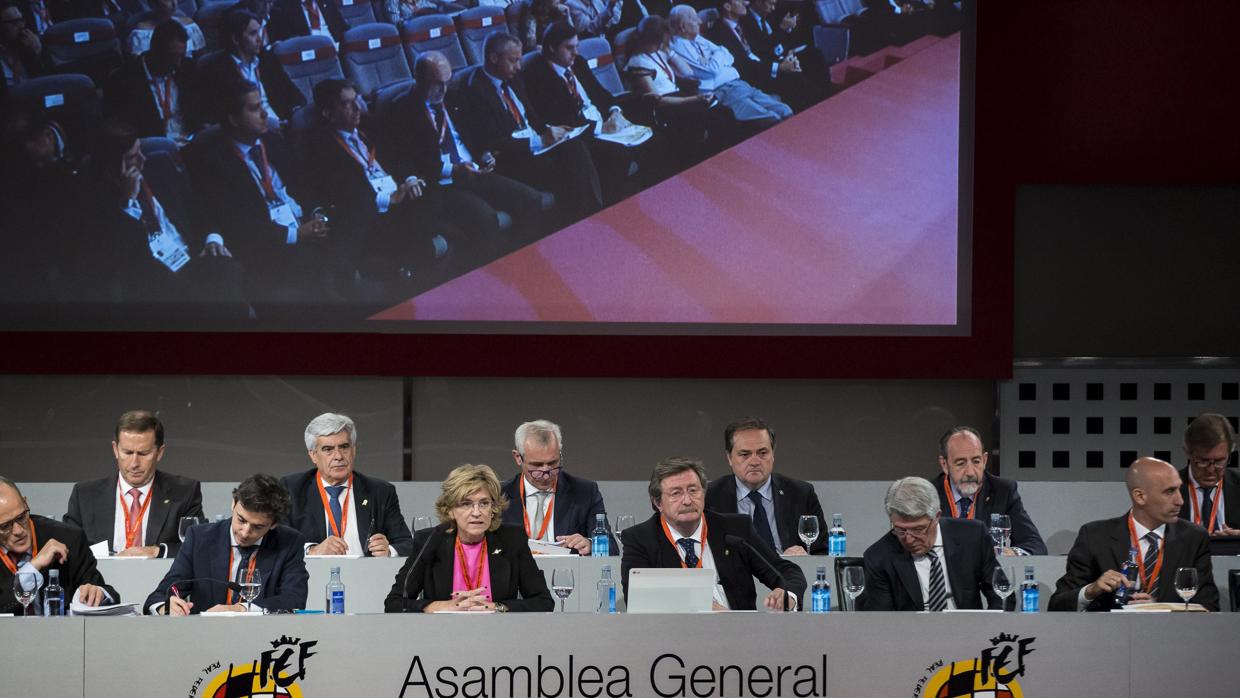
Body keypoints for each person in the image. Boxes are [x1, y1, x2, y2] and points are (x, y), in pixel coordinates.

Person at [182, 79, 336, 308]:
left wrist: (317, 213)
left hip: (304, 225)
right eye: (254, 109)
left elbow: (302, 183)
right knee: (314, 272)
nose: (265, 114)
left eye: (262, 105)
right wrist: (295, 235)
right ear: (233, 118)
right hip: (271, 244)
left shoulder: (273, 140)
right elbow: (238, 224)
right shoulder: (214, 161)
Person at [386, 51, 550, 246]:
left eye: (447, 81)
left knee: (530, 200)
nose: (444, 90)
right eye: (437, 84)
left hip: (475, 172)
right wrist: (454, 170)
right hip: (443, 183)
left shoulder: (455, 96)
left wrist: (484, 155)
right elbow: (412, 160)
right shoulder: (402, 109)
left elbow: (476, 135)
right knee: (486, 219)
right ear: (418, 78)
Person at [302, 78, 451, 287]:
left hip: (402, 195)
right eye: (346, 104)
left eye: (357, 100)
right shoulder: (320, 146)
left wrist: (409, 179)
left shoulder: (371, 125)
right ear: (329, 113)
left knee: (433, 193)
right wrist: (387, 199)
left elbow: (400, 157)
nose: (356, 108)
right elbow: (342, 190)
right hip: (372, 210)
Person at [453, 31, 605, 222]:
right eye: (513, 60)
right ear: (493, 58)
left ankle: (591, 215)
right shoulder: (475, 90)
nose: (518, 66)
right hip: (514, 157)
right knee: (571, 166)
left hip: (536, 146)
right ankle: (586, 218)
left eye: (519, 60)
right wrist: (539, 140)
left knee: (576, 147)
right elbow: (494, 142)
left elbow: (532, 117)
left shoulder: (514, 78)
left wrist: (549, 130)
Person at [621, 457, 805, 610]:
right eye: (676, 493)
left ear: (703, 493)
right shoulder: (640, 539)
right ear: (658, 503)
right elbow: (638, 598)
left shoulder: (735, 530)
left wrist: (787, 595)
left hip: (740, 637)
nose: (687, 500)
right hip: (672, 641)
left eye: (693, 490)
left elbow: (787, 572)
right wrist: (704, 608)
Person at [1049, 457, 1218, 612]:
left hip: (1173, 638)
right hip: (1109, 638)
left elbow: (1209, 606)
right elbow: (1057, 604)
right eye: (1169, 491)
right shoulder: (1094, 536)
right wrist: (1091, 591)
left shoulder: (1194, 538)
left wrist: (1160, 608)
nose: (1180, 500)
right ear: (1140, 496)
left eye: (1179, 490)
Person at [384, 464, 554, 613]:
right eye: (466, 504)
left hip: (499, 635)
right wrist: (439, 606)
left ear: (493, 508)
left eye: (484, 503)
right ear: (450, 510)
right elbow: (395, 603)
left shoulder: (511, 539)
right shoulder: (430, 540)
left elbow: (543, 601)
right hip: (443, 635)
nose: (476, 512)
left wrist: (497, 607)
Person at [145, 473, 309, 614]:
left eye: (258, 527)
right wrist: (166, 607)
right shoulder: (199, 538)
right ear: (233, 503)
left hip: (263, 639)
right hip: (206, 638)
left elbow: (295, 599)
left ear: (273, 524)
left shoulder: (289, 542)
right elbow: (161, 595)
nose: (245, 532)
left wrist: (242, 609)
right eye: (241, 520)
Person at [523, 22, 647, 203]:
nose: (575, 52)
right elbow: (559, 118)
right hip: (582, 133)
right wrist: (601, 128)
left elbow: (601, 93)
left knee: (651, 133)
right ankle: (610, 206)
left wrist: (615, 111)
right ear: (551, 48)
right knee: (618, 155)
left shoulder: (578, 63)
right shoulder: (538, 74)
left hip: (603, 121)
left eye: (577, 47)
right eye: (569, 48)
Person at [64, 410, 205, 559]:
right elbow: (68, 547)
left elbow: (199, 545)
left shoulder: (184, 493)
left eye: (143, 453)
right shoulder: (85, 495)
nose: (134, 463)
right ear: (115, 450)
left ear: (160, 452)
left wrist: (158, 551)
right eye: (127, 452)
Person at [857, 476, 1003, 611]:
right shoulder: (878, 557)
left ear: (937, 517)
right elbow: (881, 621)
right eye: (900, 529)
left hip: (968, 632)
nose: (908, 539)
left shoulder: (972, 536)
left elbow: (1002, 593)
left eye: (918, 529)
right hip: (911, 635)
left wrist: (989, 630)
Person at [281, 413, 414, 557]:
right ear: (313, 455)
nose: (338, 456)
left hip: (368, 575)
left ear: (354, 450)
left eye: (344, 447)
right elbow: (276, 544)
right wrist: (312, 550)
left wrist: (389, 551)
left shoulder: (380, 492)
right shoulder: (292, 489)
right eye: (328, 449)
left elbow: (406, 544)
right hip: (311, 577)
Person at [704, 417, 826, 555]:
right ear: (729, 458)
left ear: (773, 454)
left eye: (762, 453)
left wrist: (805, 557)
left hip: (788, 574)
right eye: (745, 454)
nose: (755, 461)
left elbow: (822, 552)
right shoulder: (710, 497)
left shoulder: (801, 493)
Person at [0, 476, 118, 614]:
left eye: (21, 517)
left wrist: (98, 593)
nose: (18, 530)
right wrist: (33, 568)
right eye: (5, 526)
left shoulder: (68, 538)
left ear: (25, 503)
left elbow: (105, 591)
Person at [498, 419, 616, 555]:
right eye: (537, 465)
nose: (546, 474)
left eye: (553, 463)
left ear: (560, 454)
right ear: (518, 457)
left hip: (567, 574)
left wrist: (590, 544)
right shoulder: (499, 495)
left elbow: (612, 549)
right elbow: (486, 550)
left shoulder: (585, 492)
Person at [667, 6, 789, 131]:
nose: (700, 21)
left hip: (740, 84)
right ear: (682, 26)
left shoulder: (697, 38)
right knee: (773, 119)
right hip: (724, 92)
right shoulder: (678, 46)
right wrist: (719, 54)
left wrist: (717, 54)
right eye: (694, 19)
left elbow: (729, 55)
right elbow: (711, 70)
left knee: (785, 110)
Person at [932, 426, 1047, 555]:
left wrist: (1012, 553)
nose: (970, 472)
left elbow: (1035, 546)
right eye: (960, 463)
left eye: (976, 461)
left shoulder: (1002, 491)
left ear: (985, 460)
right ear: (944, 464)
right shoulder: (929, 495)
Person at [197, 10, 305, 126]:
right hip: (246, 130)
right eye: (253, 33)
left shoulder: (267, 59)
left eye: (259, 32)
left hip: (282, 123)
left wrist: (295, 113)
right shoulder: (217, 70)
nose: (259, 39)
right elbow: (219, 114)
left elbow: (294, 94)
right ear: (236, 39)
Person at [104, 20, 198, 141]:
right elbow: (124, 128)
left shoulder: (188, 69)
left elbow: (199, 111)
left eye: (181, 56)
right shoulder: (123, 80)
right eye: (173, 56)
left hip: (189, 141)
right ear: (156, 50)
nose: (178, 63)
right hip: (152, 147)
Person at [1178, 413, 1240, 535]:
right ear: (1188, 453)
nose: (1211, 470)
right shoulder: (1166, 489)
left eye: (1219, 461)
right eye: (1203, 461)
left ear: (1229, 454)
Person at [125, 0, 205, 57]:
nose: (174, 3)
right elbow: (139, 64)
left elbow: (200, 57)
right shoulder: (141, 32)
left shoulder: (189, 24)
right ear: (152, 3)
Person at [267, 0, 345, 43]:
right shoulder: (282, 7)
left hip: (336, 49)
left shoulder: (326, 1)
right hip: (308, 53)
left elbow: (342, 27)